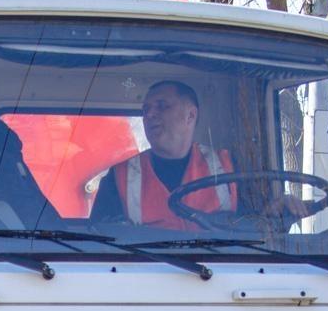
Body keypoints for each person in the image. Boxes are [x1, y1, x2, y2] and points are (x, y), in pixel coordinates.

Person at [90, 80, 236, 230]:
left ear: (191, 115)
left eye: (162, 106)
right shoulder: (119, 177)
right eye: (145, 110)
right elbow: (101, 242)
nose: (149, 115)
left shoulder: (230, 167)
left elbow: (253, 226)